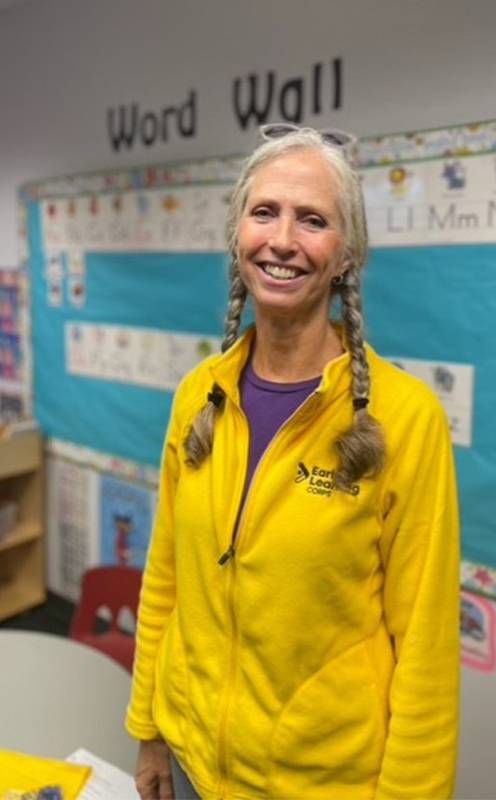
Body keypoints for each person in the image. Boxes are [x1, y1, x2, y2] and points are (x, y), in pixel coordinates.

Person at [126, 125, 460, 800]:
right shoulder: (200, 394)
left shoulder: (406, 419)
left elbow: (424, 644)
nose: (282, 241)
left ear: (347, 254)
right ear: (237, 234)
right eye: (264, 213)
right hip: (192, 761)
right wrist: (150, 729)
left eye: (313, 220)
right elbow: (167, 578)